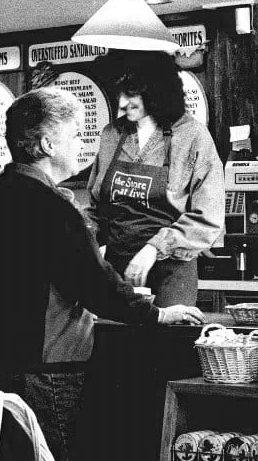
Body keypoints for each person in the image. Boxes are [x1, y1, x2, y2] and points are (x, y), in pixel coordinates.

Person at [0, 87, 205, 461]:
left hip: (3, 362)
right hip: (50, 369)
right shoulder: (51, 207)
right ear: (46, 144)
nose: (82, 145)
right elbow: (93, 285)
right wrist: (155, 314)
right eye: (75, 135)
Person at [86, 52, 224, 306]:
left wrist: (154, 248)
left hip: (171, 270)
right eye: (119, 94)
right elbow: (97, 208)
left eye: (131, 94)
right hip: (115, 271)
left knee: (163, 343)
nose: (123, 103)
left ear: (157, 90)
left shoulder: (192, 136)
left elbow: (208, 218)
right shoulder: (112, 135)